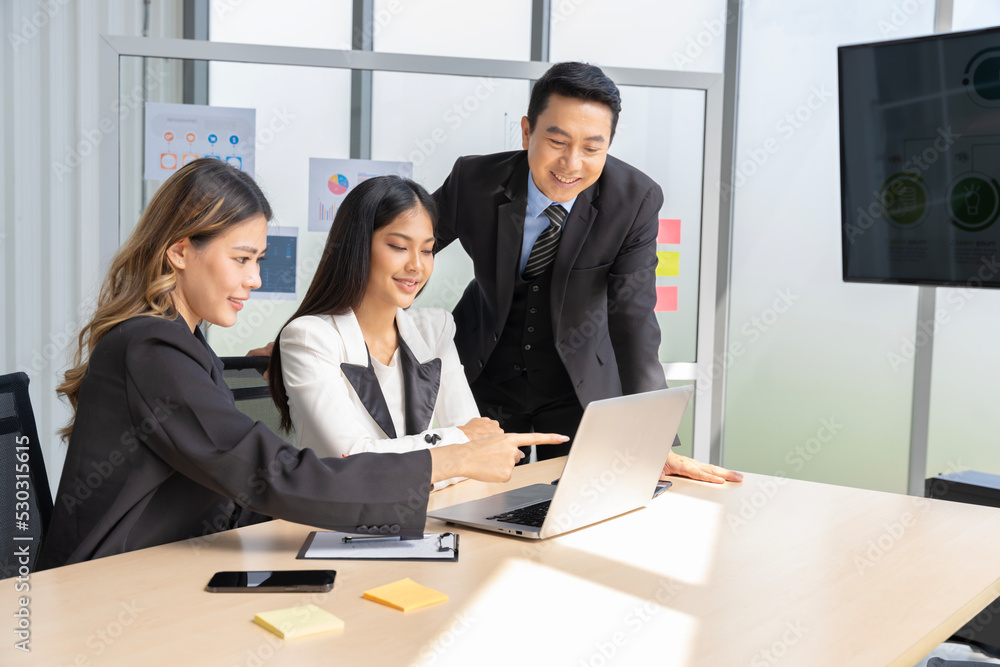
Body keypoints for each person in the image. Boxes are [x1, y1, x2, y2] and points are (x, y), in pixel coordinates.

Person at [38, 159, 565, 569]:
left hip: (168, 565)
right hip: (107, 586)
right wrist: (451, 458)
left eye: (258, 261)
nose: (254, 280)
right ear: (180, 252)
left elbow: (236, 491)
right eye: (241, 259)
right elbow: (268, 474)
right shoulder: (151, 350)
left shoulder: (183, 345)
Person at [433, 61, 741, 483]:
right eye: (556, 141)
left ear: (609, 145)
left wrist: (653, 439)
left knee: (581, 509)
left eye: (592, 149)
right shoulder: (474, 180)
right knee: (468, 506)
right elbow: (407, 245)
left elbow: (633, 321)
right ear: (527, 132)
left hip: (576, 388)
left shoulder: (634, 200)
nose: (571, 163)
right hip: (482, 379)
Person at [268, 176, 499, 474]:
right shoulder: (310, 338)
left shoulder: (434, 329)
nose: (417, 265)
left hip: (422, 508)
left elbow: (476, 455)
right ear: (358, 246)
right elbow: (355, 461)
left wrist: (461, 455)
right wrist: (458, 443)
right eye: (399, 246)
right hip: (337, 517)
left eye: (427, 250)